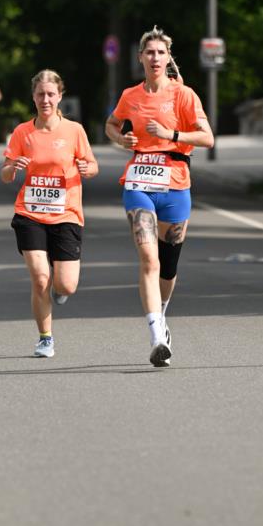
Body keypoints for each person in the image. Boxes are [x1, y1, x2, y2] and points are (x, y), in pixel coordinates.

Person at [105, 26, 214, 367]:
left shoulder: (183, 95)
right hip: (138, 182)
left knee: (168, 266)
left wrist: (172, 133)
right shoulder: (130, 96)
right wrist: (120, 140)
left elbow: (208, 138)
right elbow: (111, 124)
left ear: (168, 58)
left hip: (176, 183)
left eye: (160, 53)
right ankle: (155, 336)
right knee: (148, 260)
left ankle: (162, 317)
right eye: (148, 53)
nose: (154, 58)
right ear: (140, 58)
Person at [1, 69, 98, 358]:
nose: (45, 99)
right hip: (30, 213)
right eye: (40, 94)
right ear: (33, 96)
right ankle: (45, 337)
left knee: (65, 283)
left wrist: (86, 169)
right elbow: (5, 175)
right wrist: (13, 168)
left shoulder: (74, 130)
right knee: (40, 277)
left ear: (60, 97)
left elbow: (92, 166)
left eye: (51, 94)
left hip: (66, 213)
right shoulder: (22, 132)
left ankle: (60, 289)